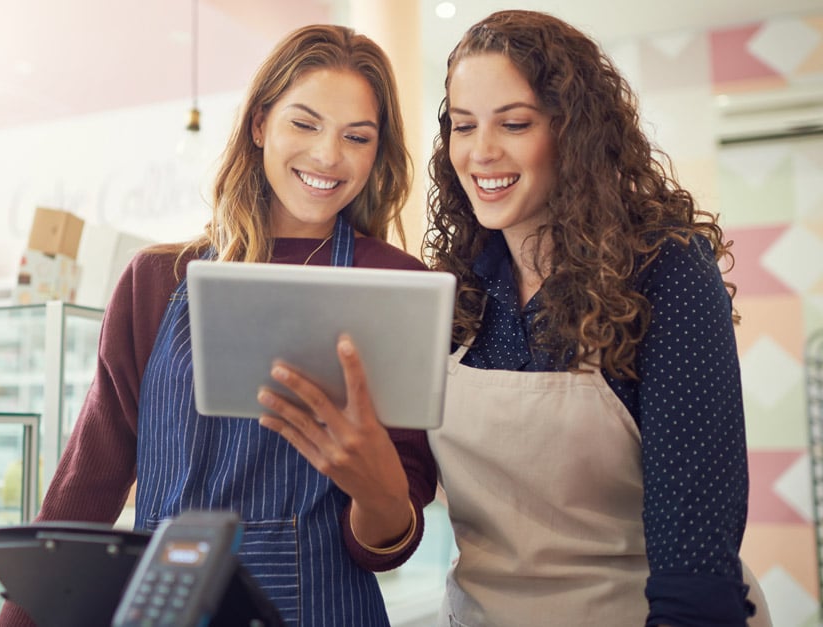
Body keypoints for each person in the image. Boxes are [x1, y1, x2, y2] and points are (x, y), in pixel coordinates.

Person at [263, 9, 770, 627]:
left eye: (515, 123)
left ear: (573, 130)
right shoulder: (453, 291)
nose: (481, 152)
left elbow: (697, 568)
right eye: (464, 125)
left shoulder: (664, 271)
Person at [0, 24, 437, 627]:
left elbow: (388, 538)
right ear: (260, 124)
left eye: (356, 137)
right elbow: (89, 479)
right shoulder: (155, 279)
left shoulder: (396, 283)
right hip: (164, 609)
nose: (328, 156)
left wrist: (375, 488)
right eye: (304, 123)